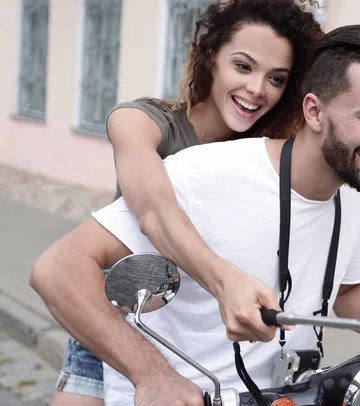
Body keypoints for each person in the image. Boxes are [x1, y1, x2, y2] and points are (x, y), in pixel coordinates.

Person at [31, 23, 360, 406]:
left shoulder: (352, 195)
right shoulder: (202, 172)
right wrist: (152, 375)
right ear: (313, 112)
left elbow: (350, 290)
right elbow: (59, 270)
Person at [34, 1, 324, 405]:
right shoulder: (144, 122)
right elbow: (155, 211)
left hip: (196, 348)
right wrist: (225, 282)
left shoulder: (266, 156)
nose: (257, 89)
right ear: (210, 57)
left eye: (276, 78)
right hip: (115, 327)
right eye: (243, 66)